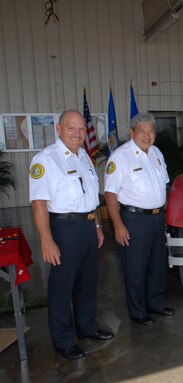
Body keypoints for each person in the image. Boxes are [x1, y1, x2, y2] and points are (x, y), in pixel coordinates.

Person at [29, 110, 114, 360]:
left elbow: (90, 197)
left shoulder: (84, 158)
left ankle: (86, 326)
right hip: (64, 229)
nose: (77, 134)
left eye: (80, 129)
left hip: (87, 226)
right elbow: (39, 203)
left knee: (87, 281)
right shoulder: (46, 160)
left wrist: (97, 226)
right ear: (59, 129)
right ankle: (63, 340)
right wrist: (46, 239)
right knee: (62, 286)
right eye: (71, 128)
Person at [104, 112, 174, 326]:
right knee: (135, 268)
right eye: (141, 131)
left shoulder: (156, 153)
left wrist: (164, 215)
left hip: (156, 218)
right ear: (132, 132)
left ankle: (156, 303)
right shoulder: (120, 156)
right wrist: (118, 225)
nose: (147, 136)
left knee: (156, 265)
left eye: (151, 131)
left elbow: (165, 186)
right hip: (133, 220)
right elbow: (110, 194)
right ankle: (137, 311)